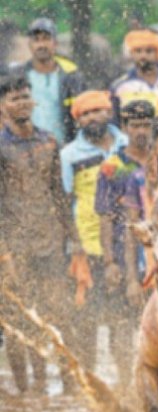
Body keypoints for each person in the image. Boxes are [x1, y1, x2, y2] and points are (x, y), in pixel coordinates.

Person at [0, 75, 81, 394]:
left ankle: (70, 387)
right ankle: (29, 392)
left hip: (50, 242)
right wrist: (4, 252)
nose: (21, 103)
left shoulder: (49, 141)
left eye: (25, 97)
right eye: (13, 99)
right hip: (14, 245)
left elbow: (59, 194)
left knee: (59, 312)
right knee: (20, 320)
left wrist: (74, 240)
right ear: (4, 106)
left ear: (32, 101)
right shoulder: (1, 147)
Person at [60, 91, 129, 372]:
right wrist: (75, 243)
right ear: (77, 122)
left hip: (126, 241)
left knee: (123, 319)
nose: (91, 118)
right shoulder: (69, 155)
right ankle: (89, 385)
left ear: (109, 112)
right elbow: (64, 202)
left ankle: (125, 382)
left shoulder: (126, 145)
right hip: (88, 245)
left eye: (96, 111)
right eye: (84, 115)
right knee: (87, 318)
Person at [93, 100, 154, 382]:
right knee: (121, 323)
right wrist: (109, 262)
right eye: (135, 125)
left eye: (146, 124)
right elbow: (105, 217)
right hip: (121, 248)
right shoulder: (112, 167)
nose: (141, 130)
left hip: (157, 254)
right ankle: (124, 383)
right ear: (125, 128)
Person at [21, 18, 84, 144]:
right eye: (36, 40)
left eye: (46, 39)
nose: (41, 45)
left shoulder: (71, 75)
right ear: (29, 45)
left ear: (55, 43)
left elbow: (81, 113)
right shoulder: (20, 76)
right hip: (28, 149)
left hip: (65, 148)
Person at [111, 29, 158, 119]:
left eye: (149, 51)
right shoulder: (120, 87)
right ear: (132, 54)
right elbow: (115, 122)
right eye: (138, 51)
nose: (143, 56)